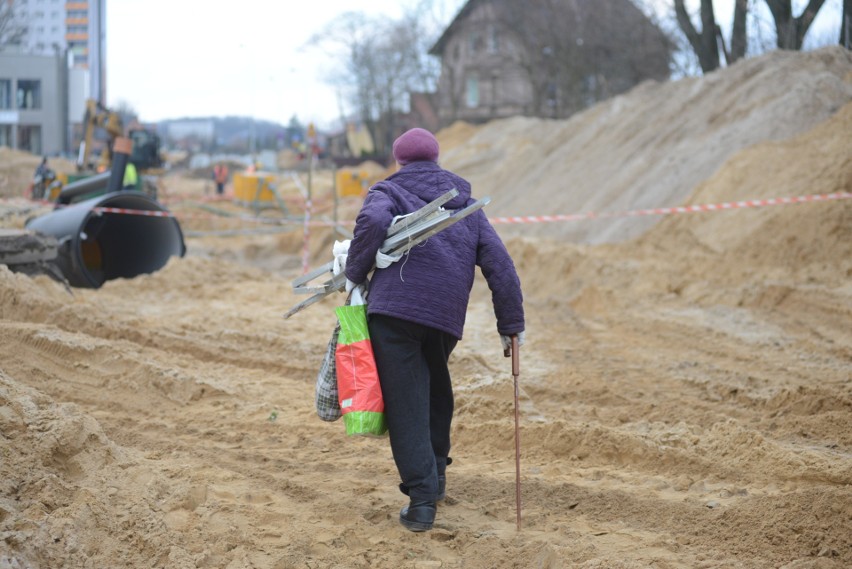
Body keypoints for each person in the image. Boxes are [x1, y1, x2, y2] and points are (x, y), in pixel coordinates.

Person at [343, 127, 525, 532]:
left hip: (395, 312)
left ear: (400, 161)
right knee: (434, 389)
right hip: (444, 317)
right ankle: (437, 475)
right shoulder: (466, 204)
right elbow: (501, 265)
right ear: (437, 159)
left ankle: (422, 499)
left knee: (407, 400)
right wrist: (510, 325)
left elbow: (372, 221)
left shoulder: (388, 191)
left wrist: (355, 272)